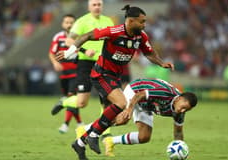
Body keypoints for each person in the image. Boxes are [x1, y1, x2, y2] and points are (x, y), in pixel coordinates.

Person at [56, 5, 175, 160]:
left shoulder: (140, 36)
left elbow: (149, 52)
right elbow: (86, 36)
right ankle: (93, 135)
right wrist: (69, 52)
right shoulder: (114, 32)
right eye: (142, 21)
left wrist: (161, 63)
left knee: (117, 119)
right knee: (121, 103)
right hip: (101, 74)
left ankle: (79, 142)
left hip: (114, 77)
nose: (144, 24)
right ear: (131, 21)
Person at [51, 0, 115, 153]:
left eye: (99, 4)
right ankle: (65, 101)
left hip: (104, 64)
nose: (97, 7)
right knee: (81, 103)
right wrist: (85, 50)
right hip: (85, 63)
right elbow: (69, 40)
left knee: (106, 103)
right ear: (89, 7)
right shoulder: (82, 21)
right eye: (94, 4)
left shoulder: (108, 21)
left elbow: (113, 40)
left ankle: (106, 137)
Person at [102, 78, 197, 157]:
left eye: (187, 110)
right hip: (135, 90)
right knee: (124, 118)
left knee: (144, 136)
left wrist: (181, 150)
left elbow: (178, 132)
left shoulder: (179, 113)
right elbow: (140, 95)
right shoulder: (165, 93)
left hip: (147, 104)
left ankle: (110, 141)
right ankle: (92, 129)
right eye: (183, 107)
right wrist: (129, 109)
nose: (183, 111)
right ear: (179, 99)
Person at [49, 14, 83, 133]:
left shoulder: (80, 37)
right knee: (72, 100)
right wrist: (55, 63)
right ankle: (79, 123)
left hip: (77, 71)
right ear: (63, 24)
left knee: (71, 96)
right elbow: (51, 52)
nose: (69, 25)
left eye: (71, 22)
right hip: (64, 73)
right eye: (67, 22)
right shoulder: (58, 37)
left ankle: (65, 125)